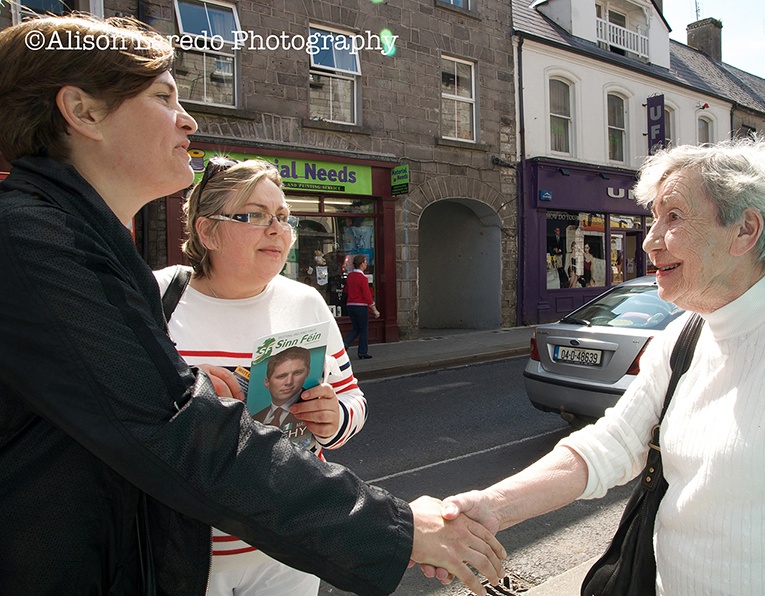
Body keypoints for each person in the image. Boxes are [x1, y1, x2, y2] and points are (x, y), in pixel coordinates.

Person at [0, 15, 504, 596]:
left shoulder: (79, 242)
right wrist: (392, 526)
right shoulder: (38, 242)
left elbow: (131, 410)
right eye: (164, 96)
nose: (187, 118)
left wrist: (330, 417)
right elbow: (172, 429)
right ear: (82, 111)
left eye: (284, 217)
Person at [436, 138, 765, 594]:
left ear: (746, 230)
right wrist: (492, 506)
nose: (651, 241)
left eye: (673, 217)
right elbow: (612, 443)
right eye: (654, 218)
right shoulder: (685, 334)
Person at [156, 157, 369, 595]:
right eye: (254, 215)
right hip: (185, 547)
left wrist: (334, 420)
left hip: (289, 541)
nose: (277, 229)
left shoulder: (306, 302)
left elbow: (352, 399)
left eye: (283, 217)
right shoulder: (155, 296)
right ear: (207, 230)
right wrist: (187, 390)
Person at [344, 254, 379, 359]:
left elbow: (346, 291)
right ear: (362, 264)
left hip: (350, 305)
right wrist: (374, 309)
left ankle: (344, 345)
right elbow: (367, 295)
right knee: (363, 330)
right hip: (360, 306)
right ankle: (362, 352)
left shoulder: (350, 276)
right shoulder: (362, 278)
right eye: (365, 262)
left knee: (356, 328)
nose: (366, 264)